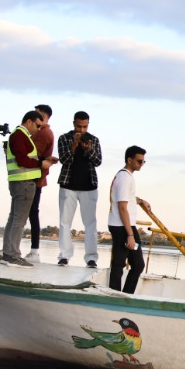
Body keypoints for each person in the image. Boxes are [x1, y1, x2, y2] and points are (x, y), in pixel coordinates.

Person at [2, 110, 56, 266]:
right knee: (19, 220)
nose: (38, 129)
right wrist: (41, 164)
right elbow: (22, 160)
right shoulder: (20, 135)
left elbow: (23, 157)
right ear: (29, 122)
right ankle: (13, 255)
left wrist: (43, 160)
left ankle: (8, 253)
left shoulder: (18, 135)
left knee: (13, 218)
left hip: (17, 181)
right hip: (24, 183)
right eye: (38, 125)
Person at [55, 110, 103, 268]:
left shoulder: (93, 140)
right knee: (64, 222)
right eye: (78, 126)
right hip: (68, 185)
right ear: (73, 124)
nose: (81, 130)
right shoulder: (64, 138)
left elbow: (98, 161)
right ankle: (64, 256)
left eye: (84, 127)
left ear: (88, 125)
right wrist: (74, 145)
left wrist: (87, 149)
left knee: (90, 224)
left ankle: (91, 258)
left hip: (89, 186)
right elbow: (64, 159)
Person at [107, 146, 148, 293]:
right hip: (122, 227)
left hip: (122, 225)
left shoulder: (125, 176)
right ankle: (115, 295)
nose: (141, 164)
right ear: (129, 160)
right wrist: (130, 234)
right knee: (122, 264)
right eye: (139, 161)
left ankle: (122, 294)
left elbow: (127, 198)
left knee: (135, 264)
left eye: (143, 161)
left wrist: (140, 201)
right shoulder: (124, 178)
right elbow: (122, 207)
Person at [23, 104, 56, 261]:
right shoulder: (43, 132)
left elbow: (34, 154)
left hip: (34, 178)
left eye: (36, 114)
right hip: (34, 176)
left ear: (43, 115)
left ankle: (34, 251)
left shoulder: (43, 133)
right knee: (29, 212)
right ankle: (32, 250)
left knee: (29, 212)